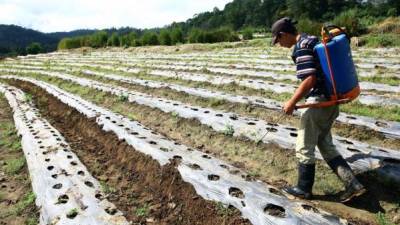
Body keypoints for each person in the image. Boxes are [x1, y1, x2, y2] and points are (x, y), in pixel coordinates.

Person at [270, 17, 366, 202]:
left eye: (278, 40)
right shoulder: (312, 39)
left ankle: (303, 188)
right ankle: (353, 184)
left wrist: (291, 102)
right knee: (325, 144)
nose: (279, 44)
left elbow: (309, 80)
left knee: (304, 147)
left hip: (317, 104)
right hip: (331, 101)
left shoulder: (302, 47)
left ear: (284, 34)